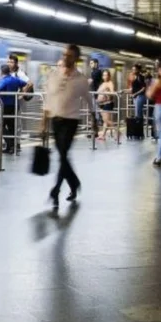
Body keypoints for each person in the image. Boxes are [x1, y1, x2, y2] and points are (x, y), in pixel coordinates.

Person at [41, 44, 95, 207]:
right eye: (64, 55)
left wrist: (95, 120)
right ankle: (74, 183)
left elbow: (89, 101)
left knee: (63, 156)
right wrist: (43, 123)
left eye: (69, 55)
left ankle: (56, 190)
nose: (66, 58)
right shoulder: (54, 75)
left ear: (76, 58)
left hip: (71, 121)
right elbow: (48, 101)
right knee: (63, 157)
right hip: (56, 120)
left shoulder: (81, 80)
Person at [0, 64, 27, 154]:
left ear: (2, 72)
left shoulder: (4, 81)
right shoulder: (15, 79)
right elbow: (27, 84)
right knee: (11, 126)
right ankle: (11, 147)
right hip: (15, 106)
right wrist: (22, 93)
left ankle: (10, 143)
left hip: (5, 106)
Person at [96, 69, 118, 142]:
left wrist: (107, 93)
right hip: (101, 104)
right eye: (104, 75)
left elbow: (112, 92)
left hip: (107, 103)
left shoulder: (110, 83)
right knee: (105, 121)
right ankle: (103, 135)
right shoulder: (102, 84)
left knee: (107, 120)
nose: (105, 76)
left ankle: (117, 132)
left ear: (109, 76)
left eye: (106, 75)